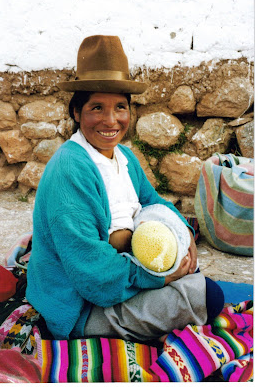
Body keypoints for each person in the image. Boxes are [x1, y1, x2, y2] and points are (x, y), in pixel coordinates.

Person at [26, 35, 224, 342]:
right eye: (96, 108)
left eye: (120, 107)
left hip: (117, 275)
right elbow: (93, 275)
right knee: (208, 297)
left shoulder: (124, 157)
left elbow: (151, 201)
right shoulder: (70, 169)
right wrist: (159, 276)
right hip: (82, 304)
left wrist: (183, 235)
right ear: (77, 113)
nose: (110, 120)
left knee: (194, 277)